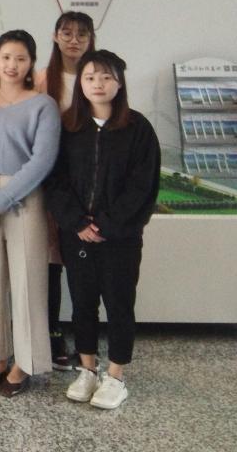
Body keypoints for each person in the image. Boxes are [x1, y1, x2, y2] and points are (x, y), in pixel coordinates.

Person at [46, 50, 159, 410]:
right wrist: (77, 222)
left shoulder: (138, 128)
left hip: (120, 237)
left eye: (107, 77)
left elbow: (143, 186)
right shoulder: (67, 126)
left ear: (120, 83)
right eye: (90, 77)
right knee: (82, 303)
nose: (98, 84)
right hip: (76, 233)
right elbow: (55, 179)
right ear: (80, 83)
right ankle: (88, 369)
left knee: (119, 303)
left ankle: (116, 376)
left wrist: (107, 224)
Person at [0, 30, 60, 397]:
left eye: (21, 58)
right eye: (6, 57)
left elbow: (43, 160)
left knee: (27, 280)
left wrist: (0, 200)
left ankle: (25, 362)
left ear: (31, 63)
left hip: (26, 195)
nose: (12, 65)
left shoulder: (43, 105)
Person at [36, 11, 96, 370]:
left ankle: (85, 340)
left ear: (91, 39)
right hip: (48, 180)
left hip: (86, 182)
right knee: (49, 259)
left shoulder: (98, 76)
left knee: (80, 260)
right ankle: (52, 331)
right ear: (55, 36)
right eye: (67, 33)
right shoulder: (42, 79)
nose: (74, 40)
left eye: (81, 34)